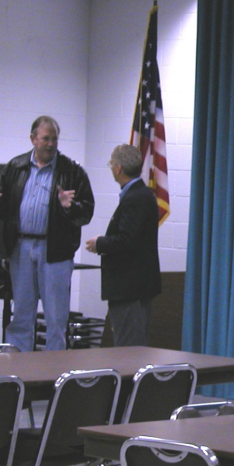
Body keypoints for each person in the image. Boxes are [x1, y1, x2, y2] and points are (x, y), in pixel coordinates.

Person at [0, 116, 94, 351]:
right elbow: (6, 207)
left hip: (55, 251)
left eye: (54, 139)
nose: (51, 144)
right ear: (33, 139)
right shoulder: (16, 167)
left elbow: (86, 213)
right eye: (46, 138)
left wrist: (69, 207)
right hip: (21, 248)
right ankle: (18, 368)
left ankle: (53, 373)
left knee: (55, 316)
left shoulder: (72, 171)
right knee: (22, 313)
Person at [85, 143, 162, 347]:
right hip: (134, 287)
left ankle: (131, 381)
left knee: (129, 350)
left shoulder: (136, 198)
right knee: (131, 347)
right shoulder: (140, 195)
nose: (111, 168)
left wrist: (100, 243)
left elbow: (126, 242)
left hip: (130, 288)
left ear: (118, 168)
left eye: (112, 164)